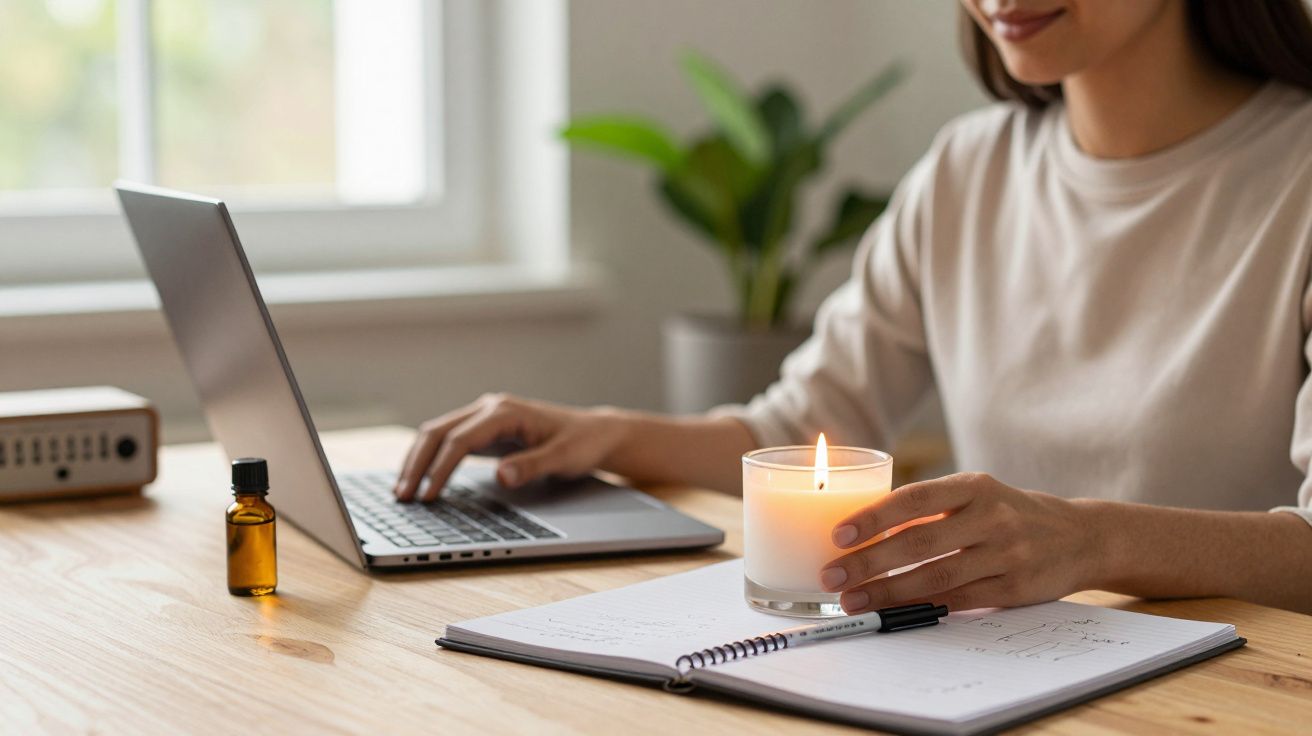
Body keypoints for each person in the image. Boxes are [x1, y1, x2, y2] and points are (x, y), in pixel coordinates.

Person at [394, 0, 1312, 614]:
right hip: (1010, 680)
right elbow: (798, 428)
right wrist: (600, 434)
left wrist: (1091, 541)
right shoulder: (969, 170)